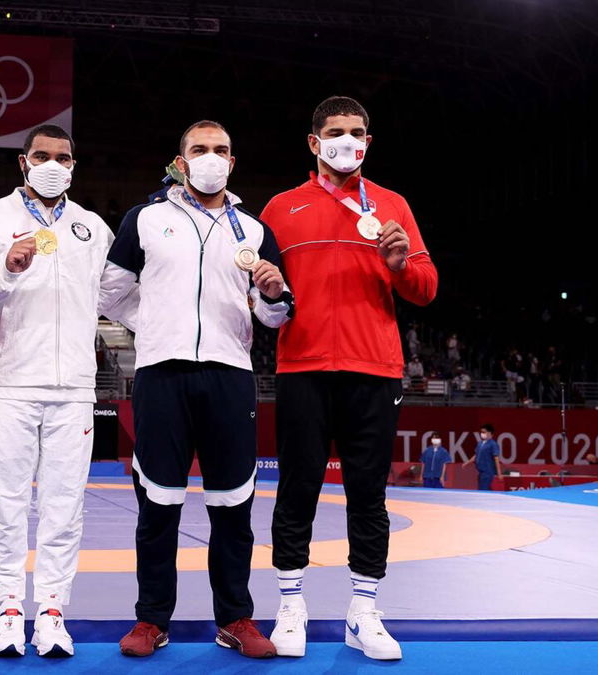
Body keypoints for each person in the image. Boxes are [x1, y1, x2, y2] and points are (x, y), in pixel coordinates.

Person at [102, 120, 292, 659]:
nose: (212, 157)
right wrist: (158, 325)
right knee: (157, 504)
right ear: (181, 162)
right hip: (161, 375)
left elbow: (273, 316)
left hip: (230, 376)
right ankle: (150, 620)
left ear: (233, 162)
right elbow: (110, 294)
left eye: (222, 150)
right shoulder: (146, 219)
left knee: (233, 505)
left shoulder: (253, 232)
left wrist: (274, 295)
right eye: (200, 149)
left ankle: (236, 617)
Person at [0, 124, 137, 658]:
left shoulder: (92, 229)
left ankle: (52, 611)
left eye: (63, 157)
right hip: (5, 382)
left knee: (63, 506)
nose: (53, 164)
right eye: (42, 155)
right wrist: (4, 269)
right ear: (23, 163)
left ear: (74, 166)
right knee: (2, 505)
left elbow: (119, 300)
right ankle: (8, 610)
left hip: (74, 386)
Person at [258, 96, 437, 661]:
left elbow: (427, 289)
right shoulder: (279, 210)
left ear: (368, 141)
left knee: (368, 496)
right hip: (303, 367)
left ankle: (365, 612)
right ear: (314, 142)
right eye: (335, 131)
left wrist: (402, 263)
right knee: (297, 491)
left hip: (374, 370)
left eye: (357, 132)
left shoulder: (392, 205)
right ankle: (291, 607)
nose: (347, 140)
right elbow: (260, 297)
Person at [464, 424, 503, 490]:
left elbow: (496, 459)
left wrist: (499, 473)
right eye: (481, 432)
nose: (482, 434)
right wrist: (467, 463)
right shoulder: (480, 443)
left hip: (488, 472)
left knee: (483, 491)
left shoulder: (493, 444)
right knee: (485, 490)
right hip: (480, 472)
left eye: (484, 432)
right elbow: (476, 455)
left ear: (490, 433)